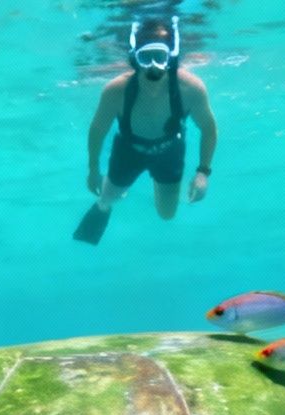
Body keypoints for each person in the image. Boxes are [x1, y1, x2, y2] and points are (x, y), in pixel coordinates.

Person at [74, 16, 217, 245]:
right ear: (134, 59)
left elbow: (209, 129)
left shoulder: (191, 88)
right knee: (107, 198)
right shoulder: (116, 90)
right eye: (145, 57)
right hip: (129, 150)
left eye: (159, 57)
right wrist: (93, 170)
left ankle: (150, 185)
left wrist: (203, 173)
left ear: (170, 57)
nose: (152, 66)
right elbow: (97, 130)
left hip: (169, 151)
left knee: (167, 215)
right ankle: (108, 202)